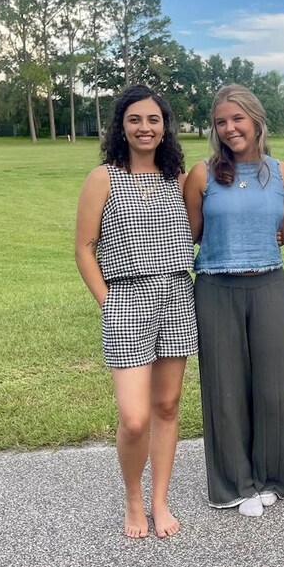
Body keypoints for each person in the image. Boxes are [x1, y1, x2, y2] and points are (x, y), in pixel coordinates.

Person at [75, 84, 197, 538]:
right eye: (135, 120)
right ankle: (133, 498)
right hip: (127, 299)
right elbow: (84, 249)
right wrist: (108, 302)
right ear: (121, 127)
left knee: (166, 405)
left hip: (176, 296)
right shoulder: (103, 178)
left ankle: (159, 500)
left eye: (153, 120)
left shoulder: (177, 177)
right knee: (134, 417)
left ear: (165, 127)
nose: (145, 128)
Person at [183, 84, 284, 518]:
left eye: (237, 118)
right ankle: (234, 484)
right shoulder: (202, 175)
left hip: (269, 285)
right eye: (221, 122)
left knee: (272, 388)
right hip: (216, 289)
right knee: (225, 389)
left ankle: (271, 478)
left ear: (256, 120)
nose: (230, 128)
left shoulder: (282, 172)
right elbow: (189, 236)